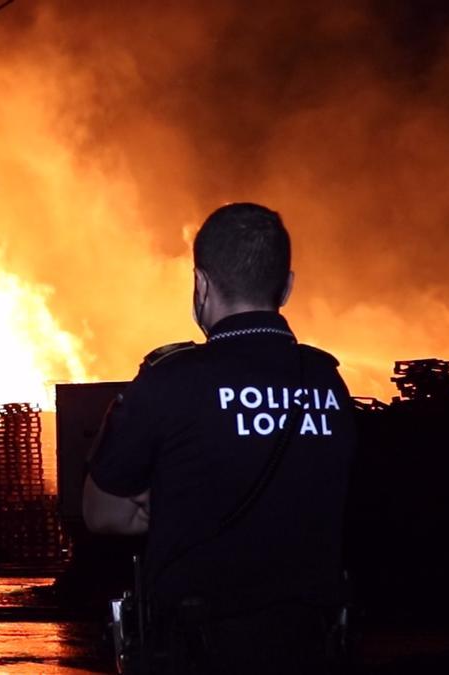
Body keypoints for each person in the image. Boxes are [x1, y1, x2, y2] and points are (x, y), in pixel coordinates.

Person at [83, 203, 355, 674]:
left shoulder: (169, 382)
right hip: (310, 648)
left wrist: (174, 504)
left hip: (198, 652)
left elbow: (102, 513)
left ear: (200, 284)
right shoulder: (327, 382)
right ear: (287, 286)